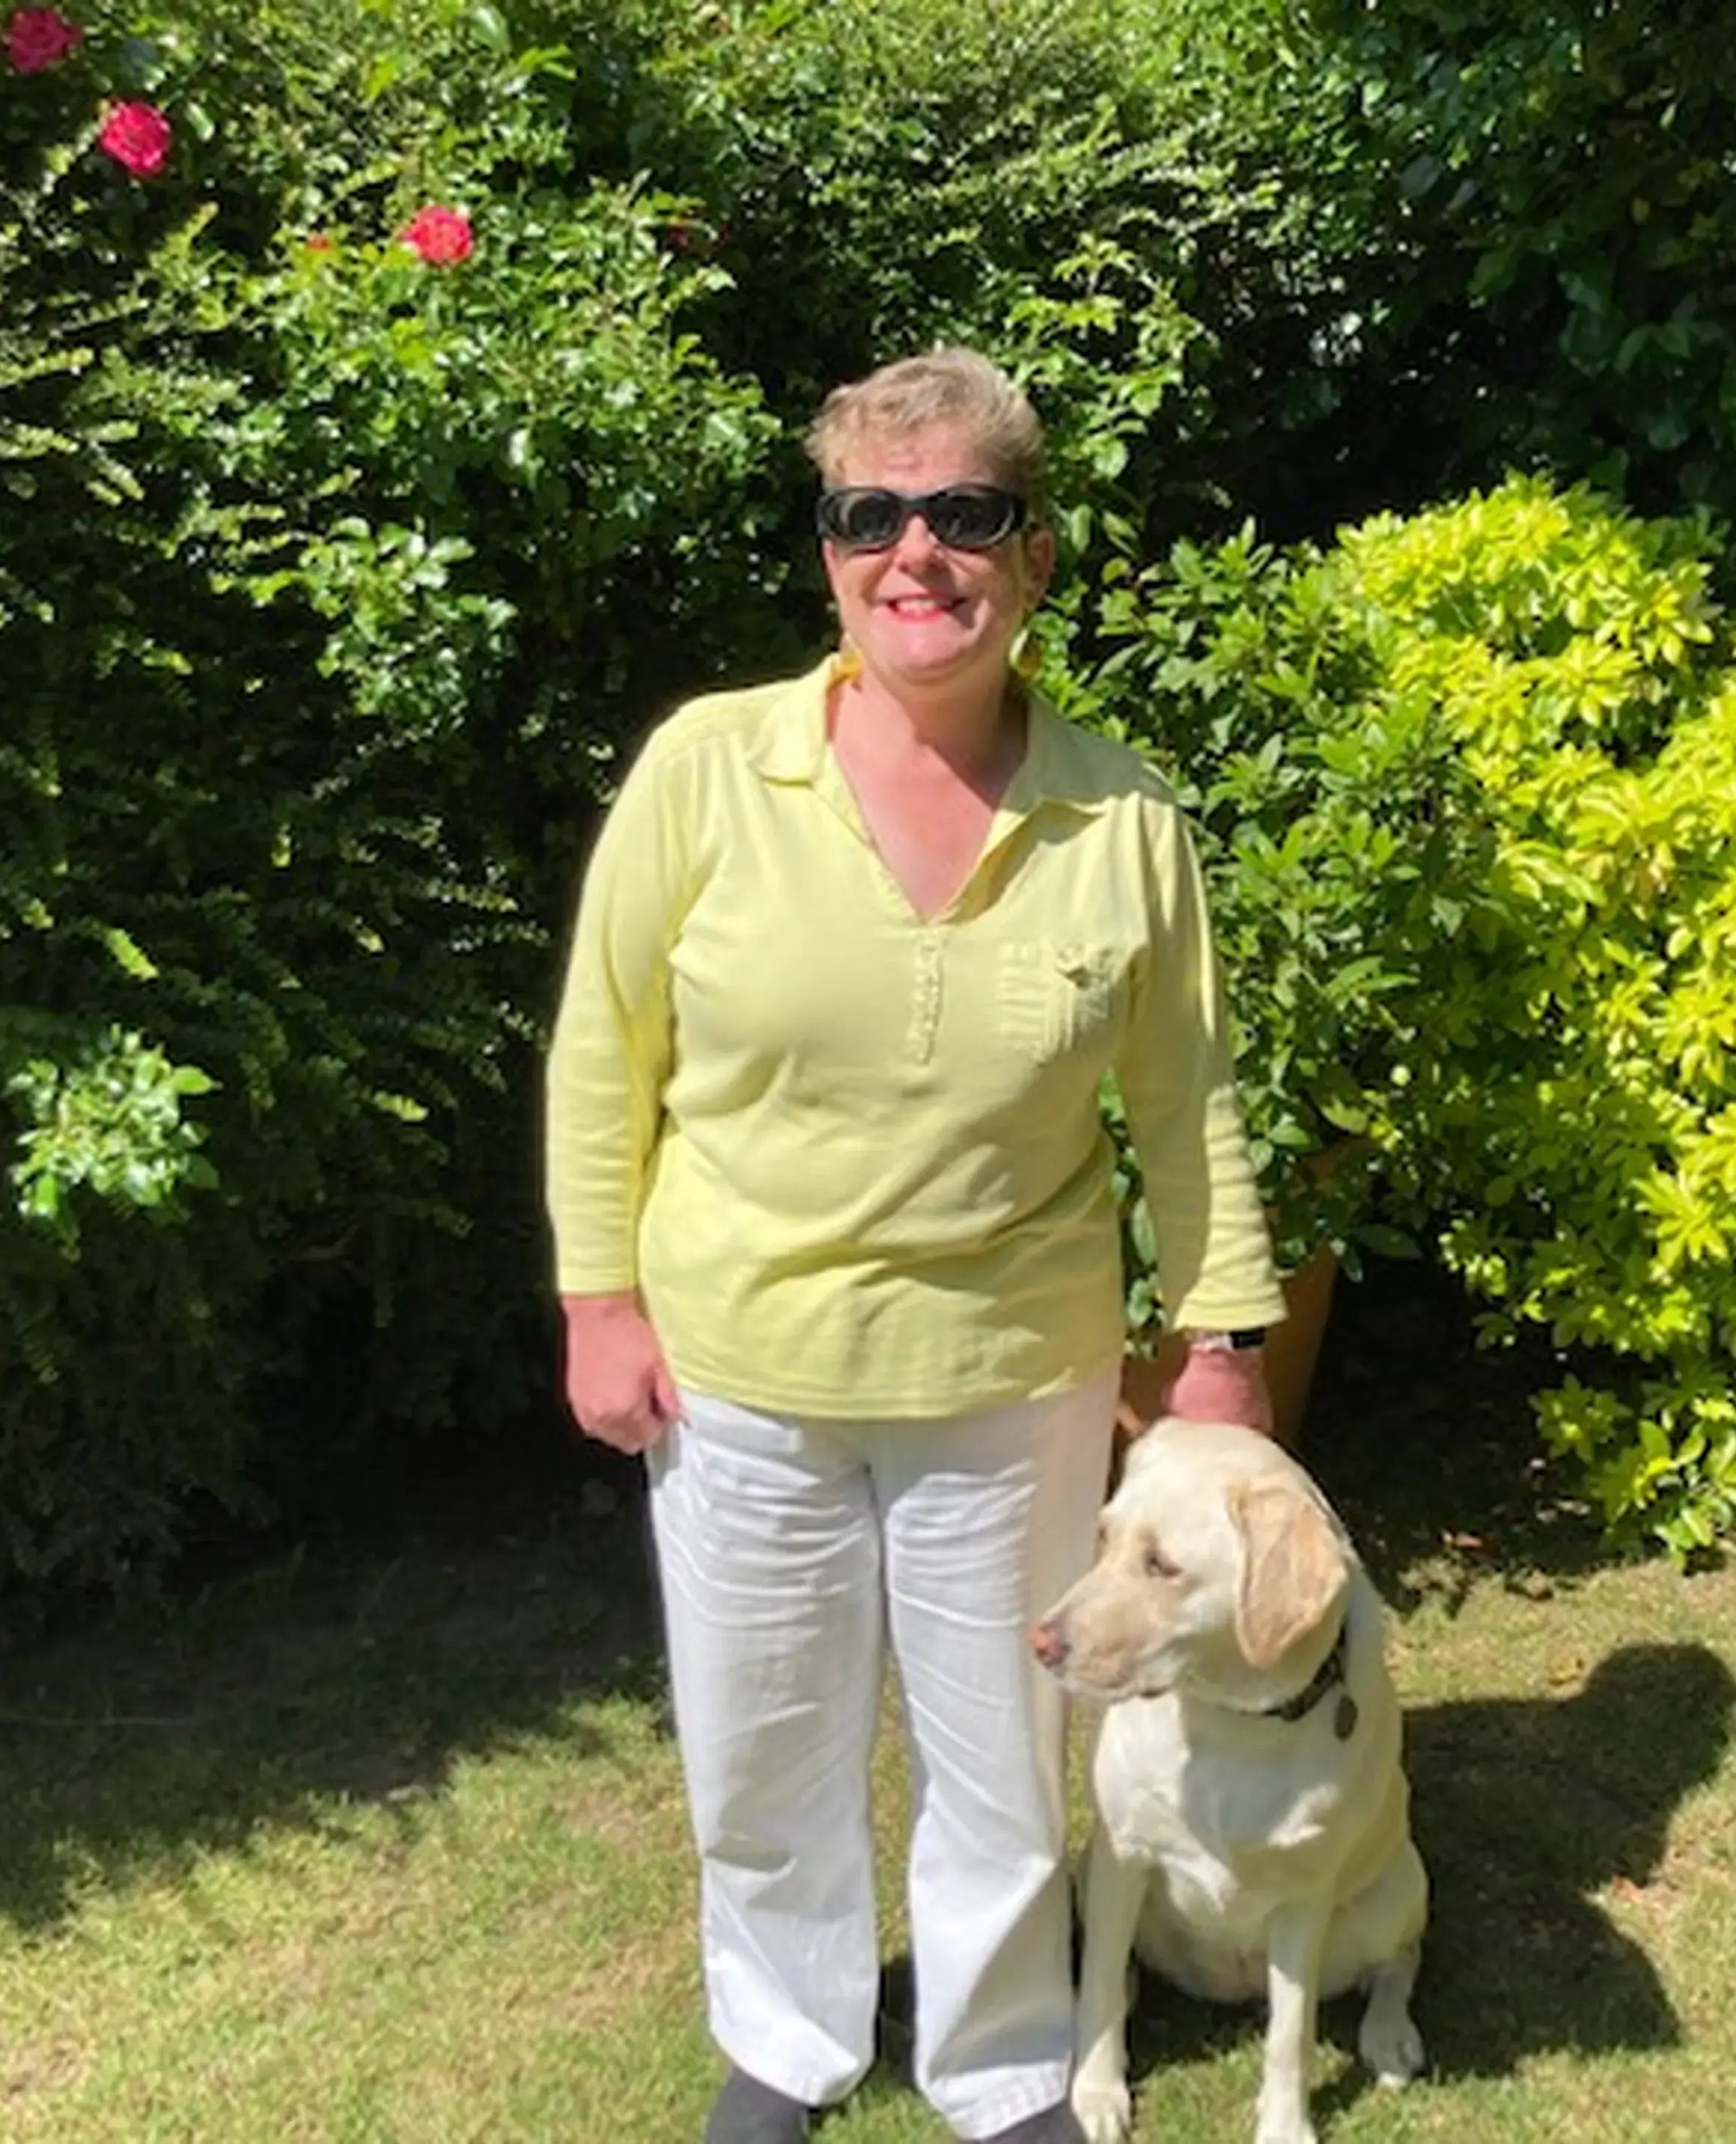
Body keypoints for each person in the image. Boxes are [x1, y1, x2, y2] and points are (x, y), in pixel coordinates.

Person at [542, 346, 1288, 2144]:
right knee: (763, 1741)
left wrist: (1224, 1344)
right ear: (827, 554)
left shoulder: (1126, 820)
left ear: (1033, 551)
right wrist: (598, 1302)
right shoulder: (709, 773)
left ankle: (1001, 2058)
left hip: (1009, 1373)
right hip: (741, 1369)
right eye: (868, 517)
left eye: (964, 514)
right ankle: (786, 2043)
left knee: (1001, 1752)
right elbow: (602, 1048)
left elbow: (1187, 1100)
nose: (914, 554)